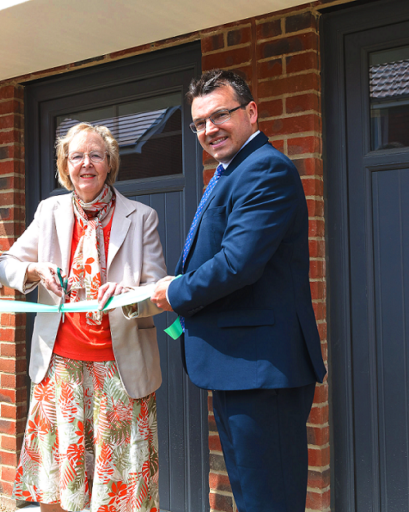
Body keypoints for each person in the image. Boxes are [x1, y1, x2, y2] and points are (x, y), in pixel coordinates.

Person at [151, 69, 327, 512]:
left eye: (220, 115)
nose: (210, 130)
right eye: (199, 124)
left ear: (251, 112)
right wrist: (174, 282)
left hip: (262, 369)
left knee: (269, 500)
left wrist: (176, 294)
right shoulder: (233, 171)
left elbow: (237, 264)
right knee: (253, 497)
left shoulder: (264, 169)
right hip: (239, 367)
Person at [0, 123, 167, 512]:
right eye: (76, 156)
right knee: (56, 481)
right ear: (64, 165)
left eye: (95, 155)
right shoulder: (49, 211)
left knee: (121, 487)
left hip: (120, 374)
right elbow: (4, 266)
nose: (86, 164)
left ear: (109, 163)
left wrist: (130, 294)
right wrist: (34, 271)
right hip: (60, 372)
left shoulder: (142, 217)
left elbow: (160, 293)